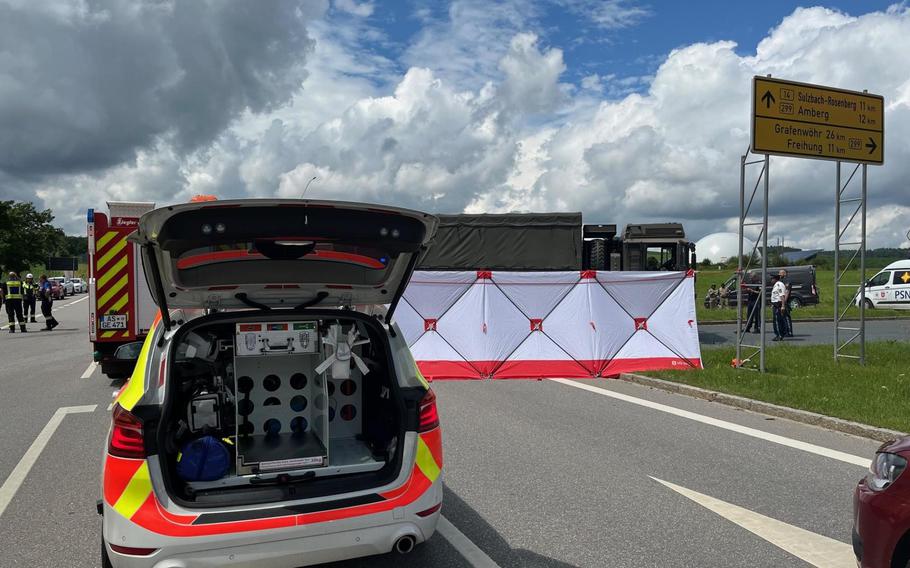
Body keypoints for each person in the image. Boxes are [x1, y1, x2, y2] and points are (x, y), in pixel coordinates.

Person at [770, 273, 788, 341]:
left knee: (778, 321)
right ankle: (779, 334)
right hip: (775, 304)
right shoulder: (776, 285)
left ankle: (779, 335)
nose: (771, 280)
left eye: (772, 279)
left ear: (775, 279)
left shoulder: (779, 285)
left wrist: (783, 306)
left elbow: (782, 295)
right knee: (777, 320)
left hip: (779, 305)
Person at [778, 269, 794, 337]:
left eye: (780, 273)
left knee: (786, 317)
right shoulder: (780, 281)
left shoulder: (787, 281)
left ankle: (789, 332)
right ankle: (785, 331)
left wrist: (784, 302)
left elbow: (787, 292)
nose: (779, 274)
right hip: (780, 301)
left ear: (785, 274)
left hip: (785, 301)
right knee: (782, 317)